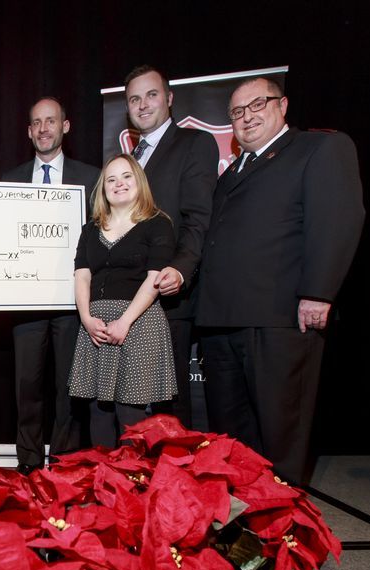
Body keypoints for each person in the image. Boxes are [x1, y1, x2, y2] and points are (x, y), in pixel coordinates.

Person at [195, 77, 364, 483]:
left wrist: (318, 293)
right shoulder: (232, 172)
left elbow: (338, 220)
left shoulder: (319, 148)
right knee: (232, 436)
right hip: (221, 320)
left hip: (279, 317)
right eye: (237, 112)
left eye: (258, 105)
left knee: (280, 431)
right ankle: (243, 526)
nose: (247, 117)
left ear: (282, 105)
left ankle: (283, 528)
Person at [2, 97, 100, 473]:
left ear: (65, 126)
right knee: (26, 388)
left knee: (67, 390)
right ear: (29, 131)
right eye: (36, 123)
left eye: (51, 121)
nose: (44, 129)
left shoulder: (91, 178)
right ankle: (27, 464)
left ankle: (63, 465)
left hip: (73, 302)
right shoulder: (9, 181)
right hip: (25, 301)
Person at [124, 65, 219, 428]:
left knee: (170, 399)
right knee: (132, 402)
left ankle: (176, 480)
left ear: (169, 98)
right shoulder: (128, 161)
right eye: (134, 98)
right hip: (127, 296)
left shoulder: (195, 144)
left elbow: (197, 218)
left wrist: (181, 269)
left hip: (169, 294)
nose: (143, 104)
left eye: (151, 95)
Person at [68, 154, 177, 447]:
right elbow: (82, 277)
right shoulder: (90, 229)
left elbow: (154, 279)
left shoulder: (157, 223)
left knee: (131, 414)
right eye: (111, 179)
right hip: (96, 326)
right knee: (97, 410)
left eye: (127, 176)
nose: (119, 184)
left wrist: (125, 322)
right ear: (103, 188)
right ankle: (105, 482)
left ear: (139, 181)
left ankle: (133, 485)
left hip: (138, 323)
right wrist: (87, 320)